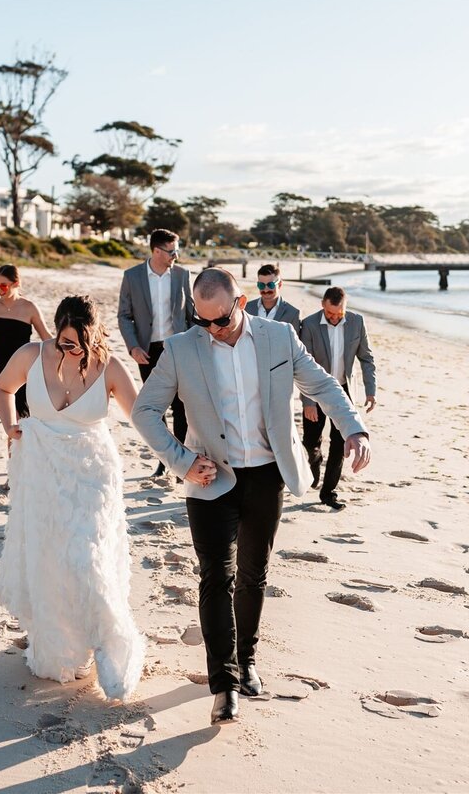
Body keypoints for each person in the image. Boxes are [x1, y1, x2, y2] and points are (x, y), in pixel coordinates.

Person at [132, 268, 371, 725]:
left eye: (218, 320)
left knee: (253, 575)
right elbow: (144, 411)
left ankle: (247, 660)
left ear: (240, 303)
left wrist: (354, 428)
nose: (210, 330)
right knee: (214, 578)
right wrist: (181, 460)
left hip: (266, 475)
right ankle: (223, 684)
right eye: (200, 321)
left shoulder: (280, 337)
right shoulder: (182, 348)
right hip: (209, 479)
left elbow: (322, 385)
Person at [0, 295, 146, 701]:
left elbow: (143, 416)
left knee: (87, 559)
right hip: (42, 472)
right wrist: (12, 428)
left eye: (78, 343)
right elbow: (3, 389)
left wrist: (183, 457)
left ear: (93, 335)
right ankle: (65, 645)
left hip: (92, 475)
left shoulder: (110, 367)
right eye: (63, 341)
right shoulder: (30, 354)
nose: (70, 349)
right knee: (51, 561)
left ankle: (110, 647)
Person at [117, 228, 194, 477]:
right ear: (157, 251)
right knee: (156, 407)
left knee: (181, 406)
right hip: (147, 351)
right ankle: (164, 459)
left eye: (177, 250)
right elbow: (124, 315)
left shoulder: (183, 275)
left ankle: (180, 457)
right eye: (172, 251)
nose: (176, 256)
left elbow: (191, 314)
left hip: (178, 349)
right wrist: (133, 347)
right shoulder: (132, 276)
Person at [298, 286, 377, 509]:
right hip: (315, 390)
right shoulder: (310, 324)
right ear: (323, 304)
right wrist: (308, 402)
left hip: (343, 391)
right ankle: (315, 463)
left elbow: (367, 358)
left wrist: (371, 391)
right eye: (330, 313)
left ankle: (328, 492)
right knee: (310, 442)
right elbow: (304, 366)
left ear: (345, 306)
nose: (334, 317)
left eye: (338, 313)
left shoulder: (357, 322)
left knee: (340, 443)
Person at [0, 264, 52, 421]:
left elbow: (46, 337)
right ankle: (14, 446)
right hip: (0, 366)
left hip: (24, 369)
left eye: (3, 286)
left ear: (16, 284)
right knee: (11, 419)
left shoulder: (29, 308)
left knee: (23, 418)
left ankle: (19, 446)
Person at [244, 263, 301, 331]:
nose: (266, 290)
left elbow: (295, 341)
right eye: (261, 285)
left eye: (270, 285)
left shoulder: (292, 314)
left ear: (279, 284)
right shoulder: (245, 309)